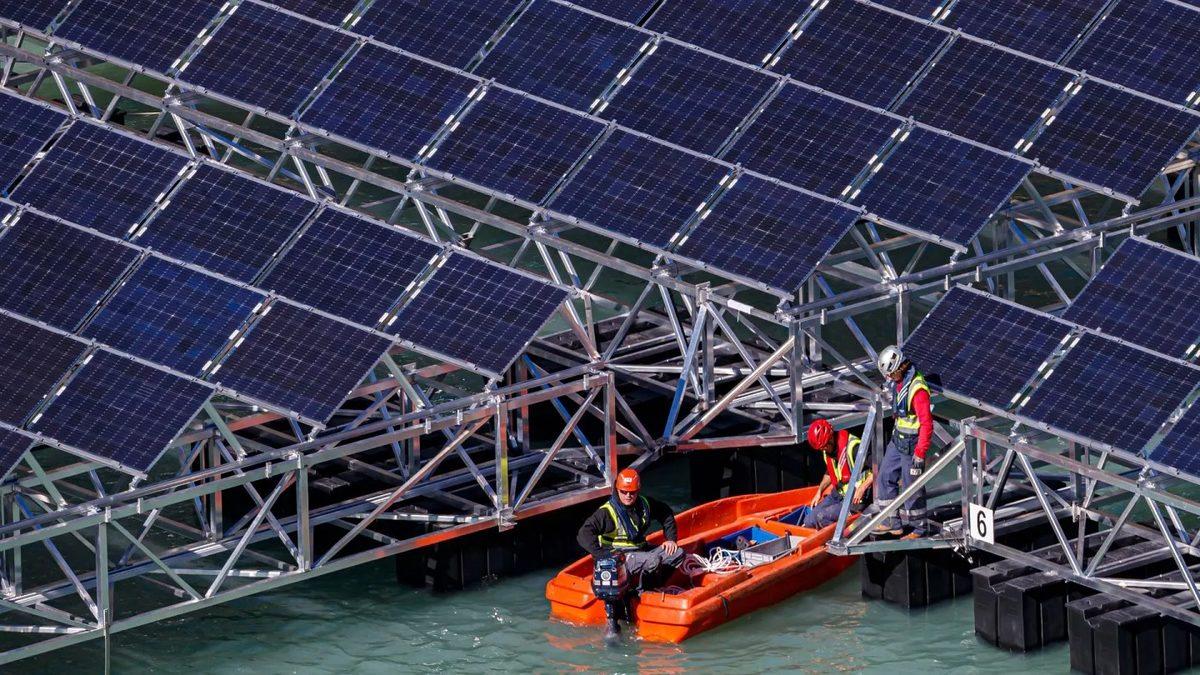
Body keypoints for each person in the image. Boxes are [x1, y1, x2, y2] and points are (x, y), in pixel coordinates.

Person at [576, 468, 685, 583]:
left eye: (632, 492)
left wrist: (671, 539)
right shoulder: (606, 512)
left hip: (641, 549)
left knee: (678, 553)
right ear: (617, 489)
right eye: (624, 492)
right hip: (620, 557)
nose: (628, 496)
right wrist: (602, 555)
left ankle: (655, 585)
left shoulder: (645, 504)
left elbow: (665, 513)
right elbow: (583, 534)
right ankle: (640, 588)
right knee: (653, 560)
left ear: (638, 490)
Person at [870, 345, 933, 537]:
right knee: (884, 476)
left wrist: (920, 453)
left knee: (911, 487)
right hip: (898, 440)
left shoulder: (918, 390)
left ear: (900, 367)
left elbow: (926, 424)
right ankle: (892, 522)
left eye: (891, 373)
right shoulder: (899, 382)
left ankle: (919, 527)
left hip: (913, 445)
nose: (889, 377)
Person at [801, 419, 871, 529]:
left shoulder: (854, 448)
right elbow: (830, 473)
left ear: (831, 438)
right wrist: (820, 491)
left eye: (824, 446)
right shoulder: (827, 451)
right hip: (839, 493)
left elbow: (879, 468)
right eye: (821, 448)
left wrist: (862, 488)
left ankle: (839, 536)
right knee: (810, 520)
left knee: (822, 517)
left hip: (856, 499)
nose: (823, 450)